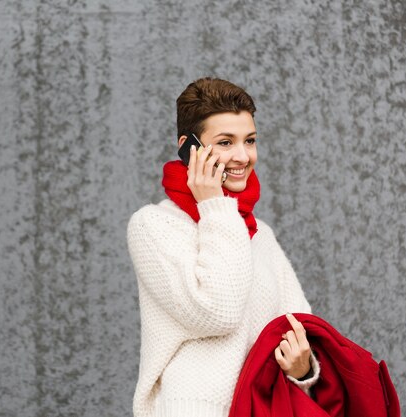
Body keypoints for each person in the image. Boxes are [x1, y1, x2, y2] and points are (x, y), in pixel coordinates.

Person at [127, 77, 320, 417]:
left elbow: (300, 331)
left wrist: (302, 371)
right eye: (225, 142)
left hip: (264, 409)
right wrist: (215, 205)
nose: (242, 156)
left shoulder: (259, 233)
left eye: (250, 140)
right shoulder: (153, 226)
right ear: (189, 147)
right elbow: (218, 312)